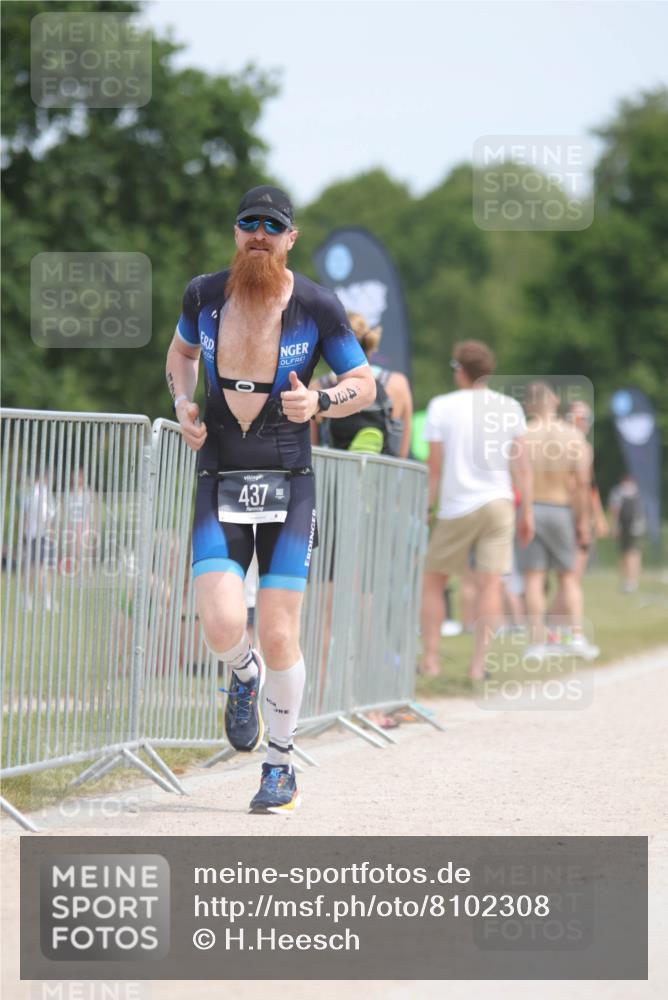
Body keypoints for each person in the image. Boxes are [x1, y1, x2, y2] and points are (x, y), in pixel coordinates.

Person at [165, 186, 375, 814]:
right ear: (236, 233)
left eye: (272, 226)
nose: (259, 234)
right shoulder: (203, 295)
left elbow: (361, 383)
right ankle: (244, 675)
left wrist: (321, 402)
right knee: (224, 623)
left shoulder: (315, 304)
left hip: (290, 482)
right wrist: (181, 404)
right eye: (248, 223)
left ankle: (280, 767)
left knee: (280, 629)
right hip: (218, 475)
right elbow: (179, 356)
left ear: (290, 239)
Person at [311, 311, 413, 729]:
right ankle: (370, 704)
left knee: (327, 603)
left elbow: (312, 443)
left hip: (332, 499)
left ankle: (319, 701)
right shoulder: (396, 385)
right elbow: (401, 450)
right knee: (369, 604)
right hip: (378, 502)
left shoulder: (321, 387)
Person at [420, 340, 534, 681]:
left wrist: (426, 508)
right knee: (490, 585)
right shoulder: (510, 407)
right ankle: (477, 666)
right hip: (499, 503)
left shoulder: (441, 406)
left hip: (457, 506)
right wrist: (527, 511)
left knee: (433, 581)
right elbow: (522, 466)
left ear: (460, 370)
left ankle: (431, 660)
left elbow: (435, 467)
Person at [517, 382, 599, 660]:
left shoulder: (522, 436)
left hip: (530, 510)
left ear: (528, 405)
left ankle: (537, 643)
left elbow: (516, 479)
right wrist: (582, 522)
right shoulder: (573, 437)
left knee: (533, 578)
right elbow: (582, 484)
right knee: (568, 578)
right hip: (561, 509)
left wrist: (524, 512)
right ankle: (576, 637)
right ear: (553, 402)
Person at [608, 475, 646, 592]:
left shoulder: (618, 492)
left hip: (625, 527)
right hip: (637, 528)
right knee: (635, 552)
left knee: (626, 552)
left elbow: (615, 509)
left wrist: (614, 526)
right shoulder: (638, 492)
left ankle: (628, 580)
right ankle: (633, 579)